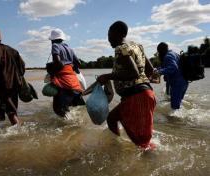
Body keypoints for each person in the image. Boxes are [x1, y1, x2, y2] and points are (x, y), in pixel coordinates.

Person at [97, 21, 156, 150]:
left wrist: (108, 76)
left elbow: (133, 73)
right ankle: (116, 147)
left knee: (142, 144)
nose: (109, 40)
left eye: (110, 35)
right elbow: (150, 70)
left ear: (120, 34)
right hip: (145, 94)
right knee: (112, 119)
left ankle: (150, 161)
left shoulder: (120, 49)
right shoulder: (138, 46)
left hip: (137, 97)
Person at [48, 28, 84, 118]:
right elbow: (78, 63)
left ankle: (67, 128)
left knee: (58, 109)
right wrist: (70, 69)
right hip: (74, 83)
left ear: (52, 40)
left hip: (63, 83)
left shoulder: (55, 46)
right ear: (62, 38)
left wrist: (52, 73)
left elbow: (58, 63)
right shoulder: (69, 48)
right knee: (69, 110)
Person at [155, 42, 188, 109]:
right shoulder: (174, 54)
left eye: (159, 52)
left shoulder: (168, 56)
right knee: (178, 104)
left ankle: (174, 119)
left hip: (178, 84)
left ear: (161, 51)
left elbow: (173, 67)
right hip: (184, 82)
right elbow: (168, 66)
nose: (159, 54)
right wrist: (158, 69)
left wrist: (159, 72)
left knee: (174, 107)